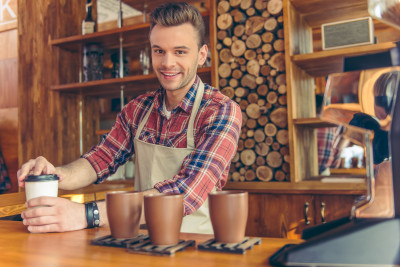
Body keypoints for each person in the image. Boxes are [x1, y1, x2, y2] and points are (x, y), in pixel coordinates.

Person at [17, 2, 242, 234]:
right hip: (141, 242)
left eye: (180, 52)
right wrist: (54, 174)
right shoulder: (138, 110)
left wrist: (88, 214)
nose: (167, 63)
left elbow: (186, 192)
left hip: (196, 248)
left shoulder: (221, 111)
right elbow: (100, 160)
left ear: (202, 55)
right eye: (159, 51)